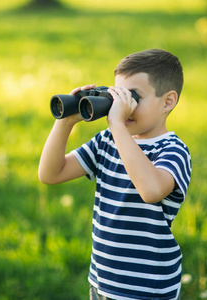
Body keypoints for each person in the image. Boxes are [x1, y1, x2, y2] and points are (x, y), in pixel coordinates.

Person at [38, 49, 192, 300]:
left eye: (133, 97)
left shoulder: (173, 150)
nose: (122, 105)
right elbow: (50, 174)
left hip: (147, 287)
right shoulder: (107, 141)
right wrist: (66, 121)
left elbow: (151, 191)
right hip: (102, 281)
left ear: (168, 101)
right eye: (116, 95)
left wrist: (118, 125)